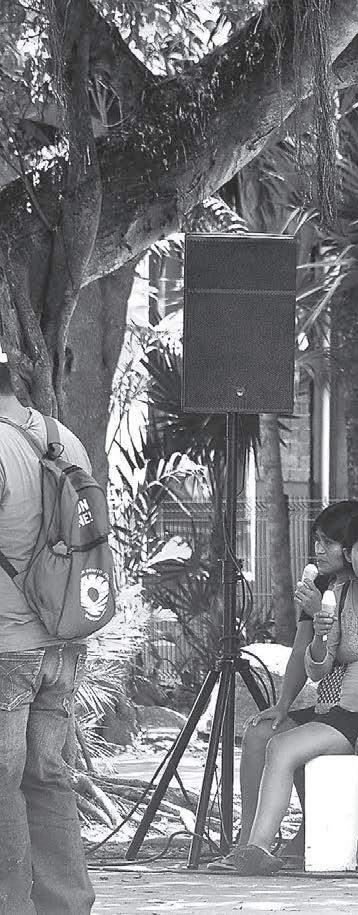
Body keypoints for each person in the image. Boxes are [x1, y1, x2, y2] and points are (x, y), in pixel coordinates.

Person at [230, 513, 358, 876]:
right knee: (280, 746)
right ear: (350, 556)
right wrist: (322, 633)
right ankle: (256, 849)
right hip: (346, 713)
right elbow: (317, 670)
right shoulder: (336, 597)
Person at [211, 499, 358, 872]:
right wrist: (283, 704)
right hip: (327, 706)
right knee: (260, 732)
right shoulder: (319, 585)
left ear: (349, 548)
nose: (319, 550)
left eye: (329, 543)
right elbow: (301, 650)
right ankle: (246, 845)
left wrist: (319, 612)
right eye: (317, 541)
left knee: (286, 746)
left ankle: (293, 838)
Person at [0, 356, 96, 915]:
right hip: (63, 641)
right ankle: (67, 905)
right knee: (48, 772)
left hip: (8, 644)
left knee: (3, 778)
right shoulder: (64, 438)